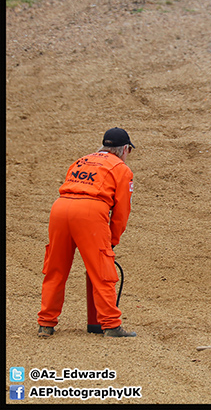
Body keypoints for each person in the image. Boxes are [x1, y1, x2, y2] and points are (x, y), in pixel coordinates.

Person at [38, 128, 137, 338]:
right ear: (125, 149)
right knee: (102, 271)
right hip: (90, 212)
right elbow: (121, 213)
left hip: (60, 208)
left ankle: (46, 323)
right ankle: (110, 325)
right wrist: (112, 241)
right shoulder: (122, 169)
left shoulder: (81, 160)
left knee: (55, 268)